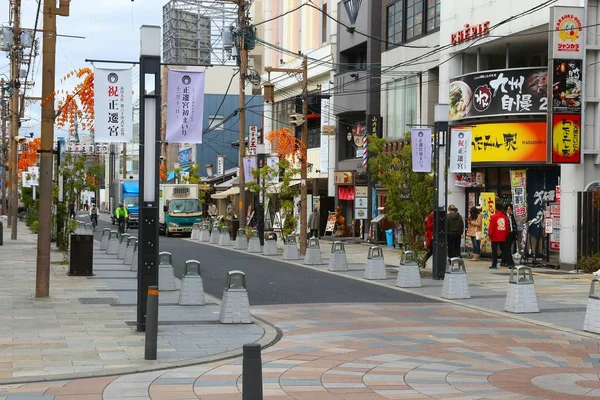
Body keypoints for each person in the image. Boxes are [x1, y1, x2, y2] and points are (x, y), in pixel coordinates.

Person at [488, 203, 511, 270]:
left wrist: (490, 235)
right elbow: (507, 228)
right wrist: (506, 235)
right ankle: (509, 263)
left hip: (495, 236)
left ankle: (494, 264)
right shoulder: (505, 217)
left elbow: (491, 227)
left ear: (496, 209)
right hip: (503, 235)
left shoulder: (493, 217)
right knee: (505, 251)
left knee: (494, 251)